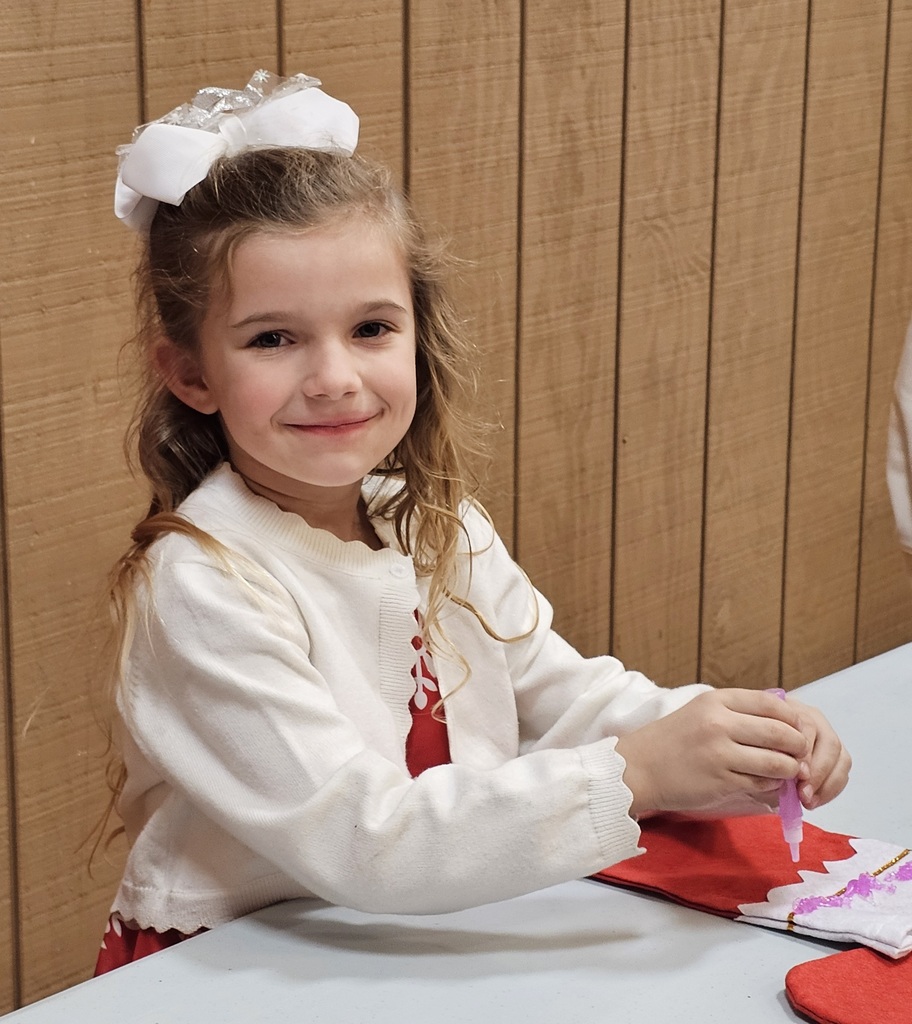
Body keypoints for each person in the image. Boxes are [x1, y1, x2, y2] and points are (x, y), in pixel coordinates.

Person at [97, 70, 850, 973]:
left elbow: (566, 699)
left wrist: (721, 732)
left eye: (371, 327)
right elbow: (366, 838)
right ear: (190, 374)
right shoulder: (200, 583)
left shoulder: (431, 525)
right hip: (250, 964)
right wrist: (639, 771)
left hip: (416, 936)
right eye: (273, 339)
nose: (336, 376)